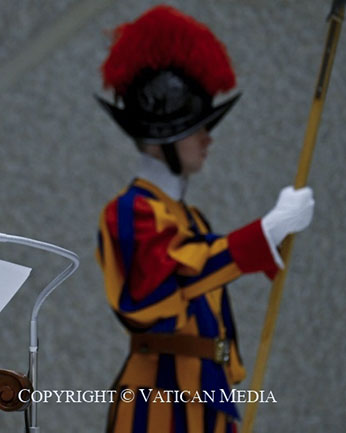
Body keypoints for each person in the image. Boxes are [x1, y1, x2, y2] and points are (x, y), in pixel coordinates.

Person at [94, 6, 314, 433]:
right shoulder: (128, 210)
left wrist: (272, 237)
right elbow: (162, 287)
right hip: (158, 401)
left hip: (209, 393)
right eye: (197, 128)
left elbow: (209, 268)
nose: (207, 138)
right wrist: (265, 232)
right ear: (165, 140)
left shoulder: (189, 216)